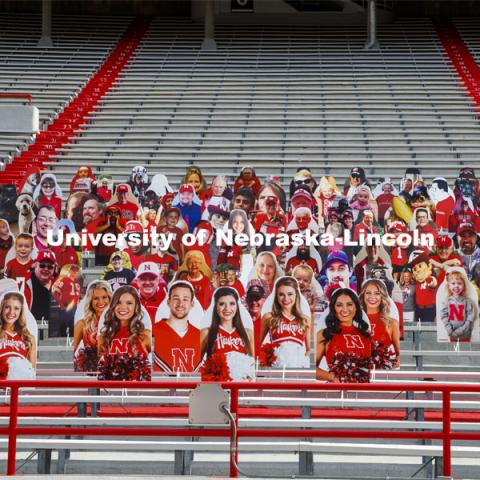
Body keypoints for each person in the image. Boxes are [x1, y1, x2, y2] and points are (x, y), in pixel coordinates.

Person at [315, 288, 371, 383]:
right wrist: (331, 377)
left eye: (349, 304)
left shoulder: (366, 334)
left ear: (356, 307)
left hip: (364, 392)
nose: (345, 309)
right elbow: (312, 369)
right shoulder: (324, 334)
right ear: (333, 308)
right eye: (339, 305)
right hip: (337, 392)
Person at [97, 285, 152, 381]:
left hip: (138, 391)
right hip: (111, 391)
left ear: (136, 307)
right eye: (118, 302)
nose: (123, 307)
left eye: (129, 303)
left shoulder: (145, 336)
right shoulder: (103, 337)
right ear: (113, 306)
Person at [200, 287, 255, 381]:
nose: (227, 308)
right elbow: (196, 366)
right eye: (222, 304)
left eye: (232, 304)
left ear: (237, 306)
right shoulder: (206, 332)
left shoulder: (248, 333)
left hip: (241, 388)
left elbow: (252, 366)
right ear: (216, 307)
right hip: (217, 388)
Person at [260, 276, 311, 368]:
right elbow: (257, 345)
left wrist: (302, 363)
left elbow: (308, 350)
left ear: (296, 295)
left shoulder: (305, 320)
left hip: (298, 369)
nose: (286, 298)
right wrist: (266, 360)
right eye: (281, 294)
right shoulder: (269, 317)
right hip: (276, 368)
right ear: (276, 296)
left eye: (290, 294)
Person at [152, 281, 201, 373]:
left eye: (185, 299)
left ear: (192, 304)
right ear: (168, 302)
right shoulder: (152, 332)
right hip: (160, 387)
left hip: (192, 387)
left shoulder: (201, 336)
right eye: (176, 298)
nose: (180, 303)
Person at [359, 279, 400, 370]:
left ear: (383, 297)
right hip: (358, 373)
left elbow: (399, 356)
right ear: (363, 295)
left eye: (377, 293)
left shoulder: (392, 323)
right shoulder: (354, 321)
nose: (372, 297)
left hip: (383, 374)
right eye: (368, 293)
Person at [73, 281, 112, 373]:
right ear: (90, 301)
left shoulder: (119, 322)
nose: (101, 302)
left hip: (113, 370)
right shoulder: (82, 324)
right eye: (96, 298)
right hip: (90, 371)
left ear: (110, 298)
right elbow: (71, 352)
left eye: (104, 297)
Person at [0, 292, 36, 379]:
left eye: (16, 308)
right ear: (1, 308)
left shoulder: (28, 338)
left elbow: (31, 371)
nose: (11, 312)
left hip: (18, 388)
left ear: (21, 312)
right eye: (7, 307)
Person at [438, 267, 478, 342]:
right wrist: (449, 330)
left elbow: (470, 318)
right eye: (453, 283)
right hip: (452, 334)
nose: (456, 286)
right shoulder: (446, 302)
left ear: (463, 286)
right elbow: (443, 316)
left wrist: (461, 330)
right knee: (454, 352)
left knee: (465, 351)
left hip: (465, 334)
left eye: (459, 283)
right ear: (449, 286)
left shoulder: (467, 301)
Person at [24, 249, 57, 323]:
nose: (46, 269)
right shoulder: (24, 283)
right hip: (30, 329)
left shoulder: (58, 285)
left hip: (52, 330)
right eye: (42, 265)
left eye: (50, 267)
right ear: (35, 265)